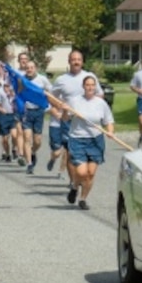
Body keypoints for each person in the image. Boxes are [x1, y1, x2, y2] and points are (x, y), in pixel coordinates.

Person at [50, 73, 113, 210]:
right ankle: (74, 186)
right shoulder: (75, 101)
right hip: (78, 139)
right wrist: (66, 111)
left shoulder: (101, 103)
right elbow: (65, 119)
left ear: (95, 87)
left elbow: (109, 120)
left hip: (96, 140)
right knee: (82, 172)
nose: (90, 87)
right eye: (87, 85)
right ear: (83, 87)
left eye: (92, 85)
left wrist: (110, 131)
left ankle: (83, 199)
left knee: (91, 173)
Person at [50, 49, 88, 193]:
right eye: (73, 59)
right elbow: (51, 97)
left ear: (82, 61)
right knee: (71, 152)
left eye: (79, 59)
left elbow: (99, 96)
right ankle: (73, 182)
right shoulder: (61, 80)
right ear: (69, 61)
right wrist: (59, 107)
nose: (76, 62)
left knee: (85, 153)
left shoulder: (89, 77)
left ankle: (81, 177)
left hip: (86, 121)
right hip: (69, 120)